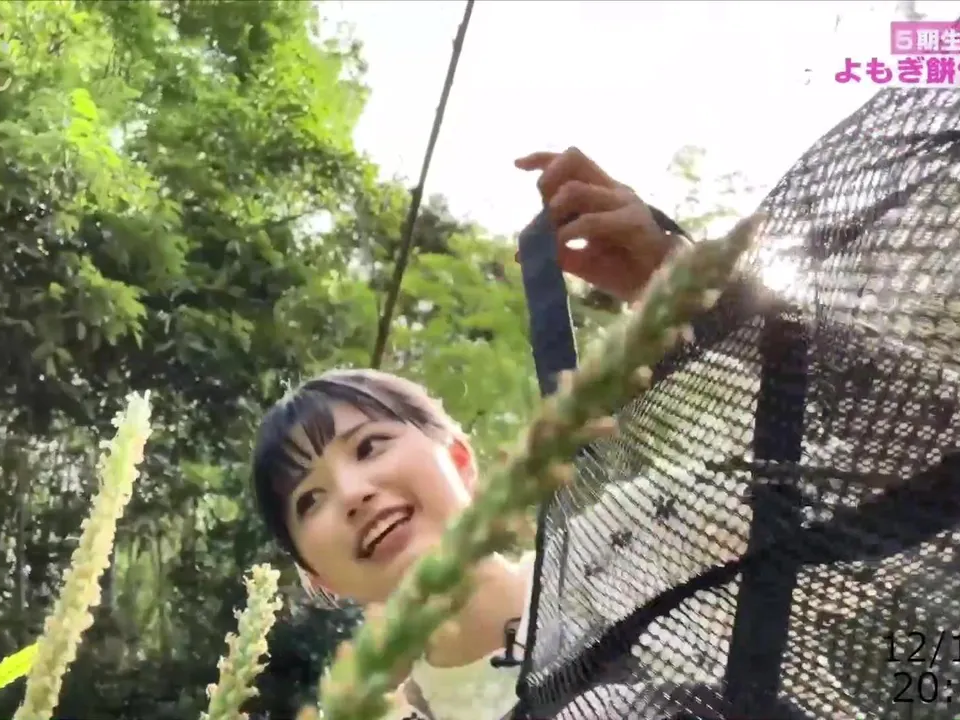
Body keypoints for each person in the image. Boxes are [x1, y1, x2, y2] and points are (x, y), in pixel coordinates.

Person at [250, 148, 692, 720]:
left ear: (459, 458)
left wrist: (674, 276)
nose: (354, 493)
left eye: (369, 446)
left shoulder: (625, 539)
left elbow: (798, 461)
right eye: (310, 500)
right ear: (318, 580)